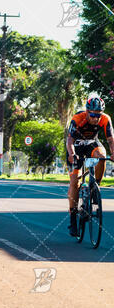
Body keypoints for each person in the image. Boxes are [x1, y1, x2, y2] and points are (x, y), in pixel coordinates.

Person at [67, 95, 114, 236]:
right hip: (76, 146)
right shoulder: (77, 118)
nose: (95, 118)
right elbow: (69, 139)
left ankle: (95, 187)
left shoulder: (105, 119)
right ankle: (73, 219)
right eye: (93, 114)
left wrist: (113, 153)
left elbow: (111, 139)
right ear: (87, 111)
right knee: (75, 182)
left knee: (101, 156)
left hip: (92, 143)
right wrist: (72, 154)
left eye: (98, 115)